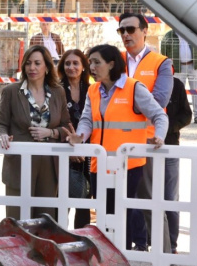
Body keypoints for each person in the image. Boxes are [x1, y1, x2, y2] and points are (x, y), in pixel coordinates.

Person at [64, 44, 168, 251]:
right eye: (90, 63)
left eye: (96, 62)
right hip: (99, 165)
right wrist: (80, 137)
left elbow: (159, 115)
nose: (91, 67)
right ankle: (110, 262)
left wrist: (159, 137)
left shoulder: (133, 87)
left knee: (122, 217)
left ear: (111, 64)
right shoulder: (93, 90)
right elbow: (87, 120)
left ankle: (124, 259)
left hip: (128, 166)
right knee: (104, 217)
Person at [0, 45, 70, 221]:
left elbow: (66, 126)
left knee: (45, 219)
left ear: (47, 67)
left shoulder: (58, 92)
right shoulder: (11, 91)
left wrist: (51, 132)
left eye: (37, 63)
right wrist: (1, 135)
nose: (32, 68)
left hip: (49, 165)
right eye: (28, 63)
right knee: (17, 218)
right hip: (19, 163)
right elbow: (0, 123)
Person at [119, 12, 174, 251]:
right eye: (121, 30)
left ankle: (165, 264)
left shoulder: (161, 63)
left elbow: (159, 100)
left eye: (130, 29)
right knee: (115, 205)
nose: (126, 34)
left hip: (148, 143)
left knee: (151, 204)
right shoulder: (114, 60)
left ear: (144, 31)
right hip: (116, 143)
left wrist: (124, 101)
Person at [163, 76, 192, 266]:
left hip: (170, 148)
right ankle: (139, 247)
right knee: (137, 202)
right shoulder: (137, 82)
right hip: (140, 149)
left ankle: (170, 251)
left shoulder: (176, 85)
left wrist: (168, 127)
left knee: (170, 201)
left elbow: (186, 115)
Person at [58, 48, 92, 229]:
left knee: (84, 200)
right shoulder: (56, 90)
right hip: (63, 151)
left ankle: (82, 240)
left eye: (75, 63)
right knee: (62, 202)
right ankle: (59, 238)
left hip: (88, 153)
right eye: (67, 63)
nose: (71, 67)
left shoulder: (92, 90)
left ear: (84, 66)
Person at [161, 29, 197, 124]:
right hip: (178, 68)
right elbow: (163, 53)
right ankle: (176, 115)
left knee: (196, 91)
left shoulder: (193, 34)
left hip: (193, 66)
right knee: (177, 93)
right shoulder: (169, 36)